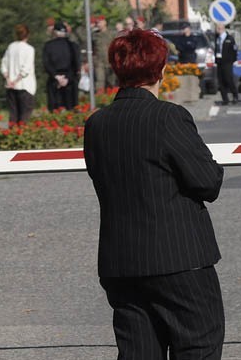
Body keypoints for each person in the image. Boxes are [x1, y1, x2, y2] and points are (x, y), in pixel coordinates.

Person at [84, 29, 225, 359]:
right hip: (179, 258)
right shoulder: (168, 117)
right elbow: (208, 182)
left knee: (138, 352)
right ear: (161, 69)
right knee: (198, 346)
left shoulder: (97, 124)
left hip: (121, 262)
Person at [0, 23, 36, 123]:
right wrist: (16, 81)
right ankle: (21, 137)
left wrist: (9, 80)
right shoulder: (29, 49)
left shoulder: (11, 46)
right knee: (25, 116)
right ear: (28, 35)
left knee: (13, 114)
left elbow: (4, 64)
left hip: (10, 86)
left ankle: (12, 136)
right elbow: (26, 70)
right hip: (25, 86)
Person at [43, 20, 80, 110]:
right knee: (71, 110)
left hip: (54, 80)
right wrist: (67, 78)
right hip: (70, 80)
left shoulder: (48, 46)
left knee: (55, 111)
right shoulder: (73, 46)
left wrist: (56, 76)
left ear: (55, 32)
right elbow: (76, 65)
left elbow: (46, 63)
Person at [214, 23, 239, 105]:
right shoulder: (217, 38)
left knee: (228, 80)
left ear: (223, 28)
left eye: (219, 28)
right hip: (219, 62)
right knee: (221, 82)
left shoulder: (229, 38)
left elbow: (234, 50)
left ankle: (235, 96)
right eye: (217, 28)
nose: (218, 29)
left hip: (227, 63)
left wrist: (232, 60)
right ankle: (225, 99)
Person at [92, 16, 115, 90]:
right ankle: (100, 99)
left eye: (100, 22)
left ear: (105, 22)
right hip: (99, 62)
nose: (98, 24)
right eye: (97, 22)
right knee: (100, 81)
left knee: (111, 82)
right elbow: (91, 49)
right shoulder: (94, 35)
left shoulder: (112, 34)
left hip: (110, 61)